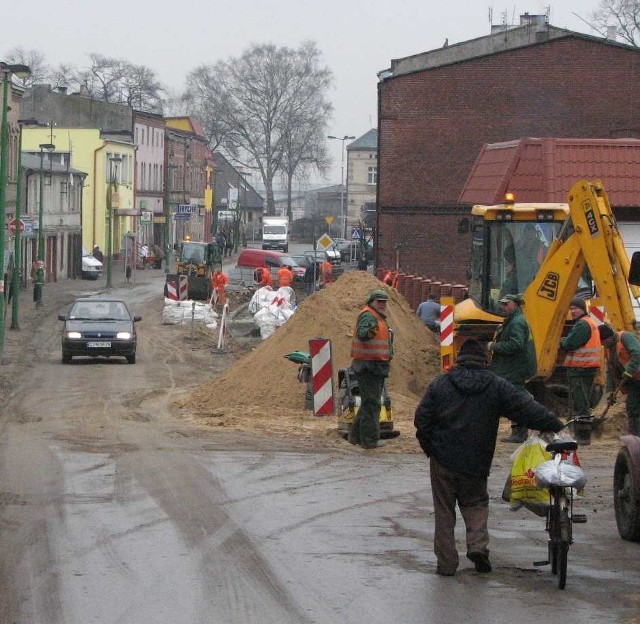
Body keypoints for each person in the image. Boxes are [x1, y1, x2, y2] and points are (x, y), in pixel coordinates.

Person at [414, 338, 563, 577]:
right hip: (477, 459)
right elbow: (525, 408)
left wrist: (430, 448)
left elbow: (422, 419)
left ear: (458, 359)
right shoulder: (495, 385)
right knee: (476, 504)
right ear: (485, 360)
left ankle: (446, 564)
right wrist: (553, 422)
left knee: (444, 511)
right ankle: (478, 547)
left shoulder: (441, 384)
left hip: (443, 458)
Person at [487, 294, 537, 443]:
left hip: (515, 368)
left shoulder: (516, 322)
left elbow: (516, 344)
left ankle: (520, 432)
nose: (503, 306)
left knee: (516, 399)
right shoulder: (513, 320)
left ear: (515, 305)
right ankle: (520, 430)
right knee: (516, 397)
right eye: (502, 304)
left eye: (506, 304)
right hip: (514, 367)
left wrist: (494, 346)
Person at [349, 288, 394, 449]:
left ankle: (355, 437)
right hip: (368, 366)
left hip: (374, 365)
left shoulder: (376, 316)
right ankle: (369, 440)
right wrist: (370, 330)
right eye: (379, 302)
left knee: (369, 402)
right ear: (372, 301)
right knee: (372, 404)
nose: (382, 304)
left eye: (384, 302)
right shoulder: (369, 315)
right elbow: (363, 334)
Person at [559, 297, 602, 445]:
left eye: (575, 309)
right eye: (570, 309)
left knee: (581, 402)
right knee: (582, 401)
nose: (572, 311)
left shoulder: (582, 325)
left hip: (581, 369)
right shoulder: (589, 323)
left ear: (582, 309)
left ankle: (583, 436)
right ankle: (580, 433)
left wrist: (562, 341)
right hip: (585, 368)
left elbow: (570, 343)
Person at [598, 324, 640, 436]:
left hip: (636, 376)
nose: (604, 344)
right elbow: (611, 371)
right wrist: (611, 392)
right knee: (632, 407)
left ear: (609, 337)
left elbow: (637, 353)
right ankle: (635, 436)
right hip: (633, 382)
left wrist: (629, 371)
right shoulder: (609, 350)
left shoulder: (626, 337)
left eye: (604, 341)